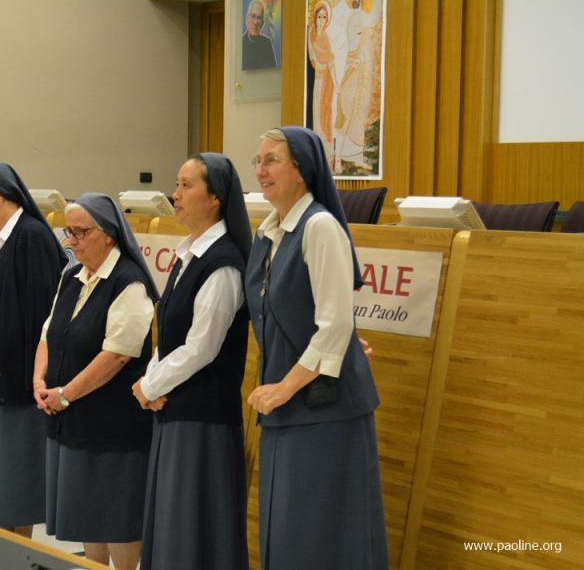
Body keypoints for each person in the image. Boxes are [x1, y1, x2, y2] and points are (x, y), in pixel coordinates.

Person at [245, 126, 387, 568]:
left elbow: (335, 325)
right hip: (286, 409)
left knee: (318, 537)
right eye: (258, 161)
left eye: (272, 160)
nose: (261, 170)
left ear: (302, 170)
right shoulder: (269, 231)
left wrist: (282, 388)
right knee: (287, 535)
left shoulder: (320, 226)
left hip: (323, 410)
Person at [132, 154, 251, 570]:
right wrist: (149, 383)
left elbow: (202, 347)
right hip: (174, 410)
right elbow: (170, 336)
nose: (175, 194)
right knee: (171, 528)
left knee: (192, 533)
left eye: (185, 185)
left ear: (215, 196)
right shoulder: (189, 255)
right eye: (176, 184)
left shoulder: (223, 265)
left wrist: (150, 385)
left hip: (204, 420)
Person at [33, 193, 158, 570]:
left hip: (113, 426)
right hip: (69, 416)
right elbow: (48, 334)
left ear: (108, 234)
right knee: (87, 513)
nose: (72, 240)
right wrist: (39, 380)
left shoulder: (129, 283)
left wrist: (65, 394)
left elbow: (117, 355)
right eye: (68, 231)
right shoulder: (71, 276)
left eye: (81, 232)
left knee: (116, 516)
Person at [0, 161, 65, 538]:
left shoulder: (31, 237)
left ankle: (17, 556)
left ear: (4, 191)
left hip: (14, 381)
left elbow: (40, 317)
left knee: (13, 488)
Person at [334, 0, 383, 172]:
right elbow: (348, 48)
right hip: (351, 73)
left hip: (361, 73)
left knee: (358, 115)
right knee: (345, 115)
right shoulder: (355, 17)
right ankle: (338, 159)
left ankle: (355, 157)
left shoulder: (360, 17)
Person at [307, 0, 337, 166]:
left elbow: (330, 63)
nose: (321, 20)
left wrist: (336, 84)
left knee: (324, 116)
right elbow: (312, 58)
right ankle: (319, 156)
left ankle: (328, 154)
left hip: (326, 81)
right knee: (316, 117)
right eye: (319, 16)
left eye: (324, 17)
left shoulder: (324, 38)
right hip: (317, 81)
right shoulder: (312, 34)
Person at [243, 0, 277, 70]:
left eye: (259, 18)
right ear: (247, 19)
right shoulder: (240, 43)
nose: (255, 22)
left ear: (262, 23)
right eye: (253, 16)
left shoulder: (267, 43)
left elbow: (273, 71)